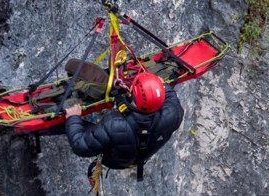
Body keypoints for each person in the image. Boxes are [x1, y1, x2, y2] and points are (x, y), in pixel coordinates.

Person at [56, 72, 184, 184]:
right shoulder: (173, 114)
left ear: (132, 94)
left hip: (113, 160)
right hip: (137, 157)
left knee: (70, 124)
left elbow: (80, 146)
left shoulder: (113, 124)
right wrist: (160, 86)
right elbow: (172, 99)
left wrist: (73, 118)